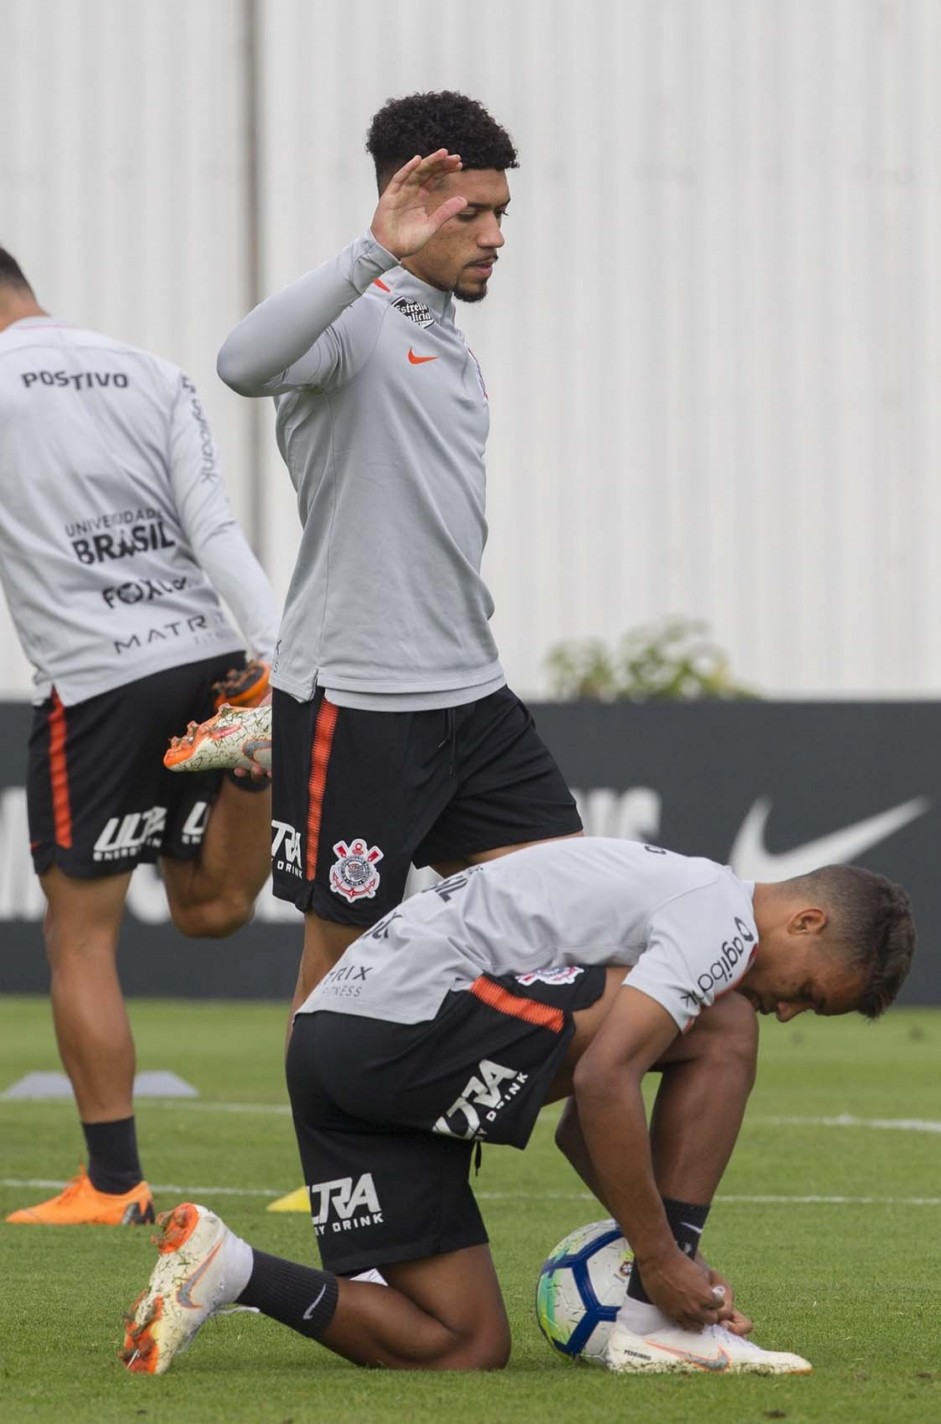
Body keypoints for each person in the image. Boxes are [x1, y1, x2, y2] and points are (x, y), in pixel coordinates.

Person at [120, 837, 915, 1376]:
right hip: (405, 1029)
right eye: (808, 994)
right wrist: (665, 1263)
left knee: (463, 1345)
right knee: (725, 1023)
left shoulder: (680, 892)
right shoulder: (719, 921)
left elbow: (582, 1131)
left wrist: (677, 1263)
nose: (788, 1013)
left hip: (334, 1052)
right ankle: (655, 1321)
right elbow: (604, 1083)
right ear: (804, 922)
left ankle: (229, 1270)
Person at [190, 91, 583, 1014]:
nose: (493, 236)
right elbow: (240, 363)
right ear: (410, 203)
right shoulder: (355, 319)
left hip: (471, 693)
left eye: (500, 214)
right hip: (360, 699)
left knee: (571, 916)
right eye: (470, 213)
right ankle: (335, 1167)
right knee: (340, 974)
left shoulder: (444, 335)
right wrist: (372, 250)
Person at [0, 248, 280, 1225]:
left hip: (96, 683)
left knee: (79, 936)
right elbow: (214, 528)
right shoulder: (149, 370)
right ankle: (251, 762)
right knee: (212, 908)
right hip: (208, 651)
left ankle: (113, 1182)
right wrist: (272, 655)